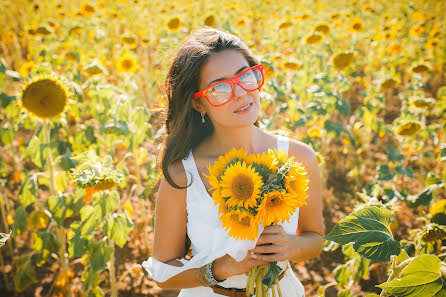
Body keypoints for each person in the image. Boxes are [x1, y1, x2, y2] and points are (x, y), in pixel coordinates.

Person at [142, 27, 325, 297]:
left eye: (245, 76)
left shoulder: (299, 157)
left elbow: (315, 239)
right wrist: (219, 269)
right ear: (198, 104)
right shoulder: (184, 174)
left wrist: (290, 246)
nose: (240, 93)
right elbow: (163, 274)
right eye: (219, 88)